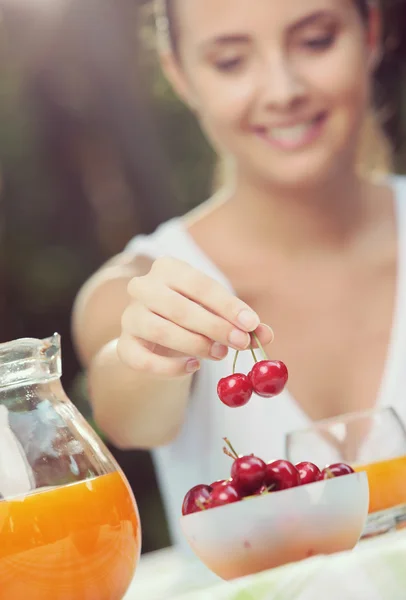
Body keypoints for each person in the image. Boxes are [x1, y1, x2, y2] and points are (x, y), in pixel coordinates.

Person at [72, 0, 406, 551]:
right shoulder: (141, 282)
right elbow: (123, 409)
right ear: (180, 75)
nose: (282, 90)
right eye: (230, 61)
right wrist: (148, 351)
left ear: (370, 32)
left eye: (316, 41)